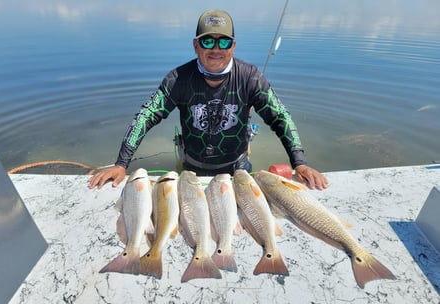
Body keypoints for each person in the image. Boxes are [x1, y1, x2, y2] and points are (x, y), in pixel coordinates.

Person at [89, 9, 328, 190]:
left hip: (239, 169)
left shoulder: (250, 78)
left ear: (233, 46)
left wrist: (300, 163)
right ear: (195, 45)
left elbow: (280, 117)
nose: (216, 48)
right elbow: (146, 116)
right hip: (192, 171)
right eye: (207, 41)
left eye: (223, 41)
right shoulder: (178, 79)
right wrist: (121, 164)